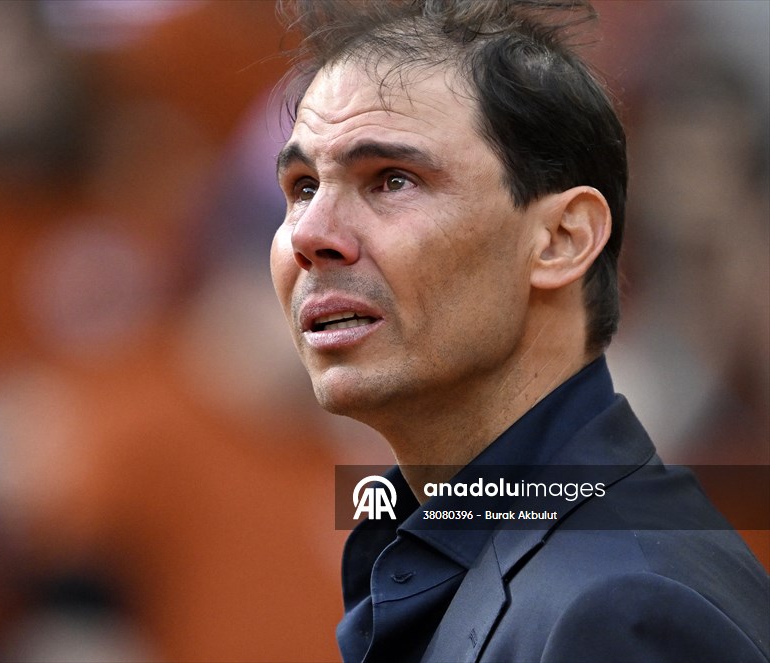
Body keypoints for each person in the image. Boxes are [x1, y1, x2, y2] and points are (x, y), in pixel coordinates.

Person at [269, 1, 770, 661]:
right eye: (303, 187)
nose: (308, 235)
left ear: (561, 240)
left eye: (391, 180)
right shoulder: (489, 549)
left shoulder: (622, 610)